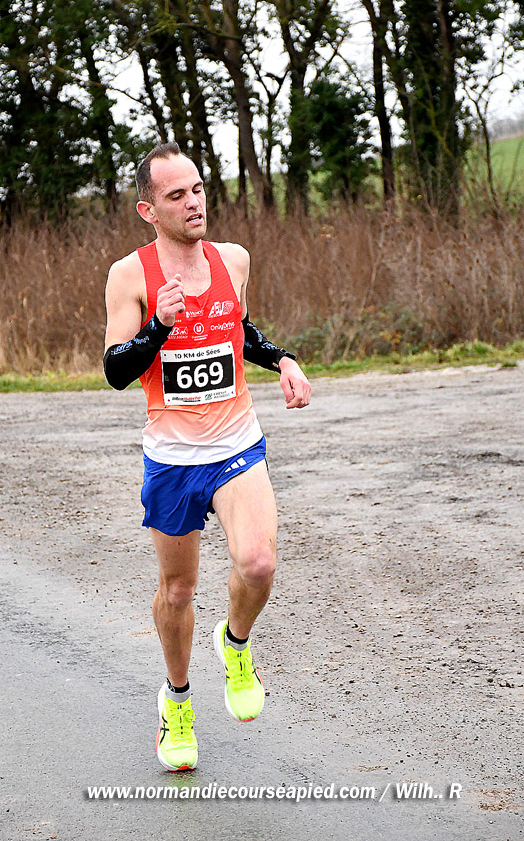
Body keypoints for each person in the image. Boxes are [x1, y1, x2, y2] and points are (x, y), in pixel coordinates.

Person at [103, 142, 311, 771]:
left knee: (258, 563)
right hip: (171, 458)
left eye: (197, 189)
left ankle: (236, 645)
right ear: (149, 210)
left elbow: (238, 331)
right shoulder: (129, 275)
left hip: (236, 443)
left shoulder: (233, 259)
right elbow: (116, 370)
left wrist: (282, 359)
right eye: (176, 195)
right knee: (178, 588)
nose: (194, 202)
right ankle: (177, 701)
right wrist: (158, 327)